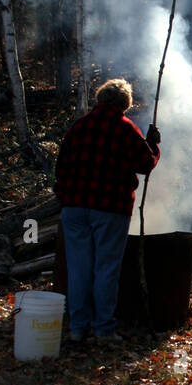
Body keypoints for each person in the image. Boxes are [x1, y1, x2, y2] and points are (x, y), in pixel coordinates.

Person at [54, 78, 160, 345]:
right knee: (105, 270)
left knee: (78, 270)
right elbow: (145, 164)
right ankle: (103, 330)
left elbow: (61, 168)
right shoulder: (125, 128)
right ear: (125, 104)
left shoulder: (78, 127)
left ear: (100, 99)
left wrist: (66, 197)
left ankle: (78, 328)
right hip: (110, 209)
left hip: (75, 208)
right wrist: (154, 146)